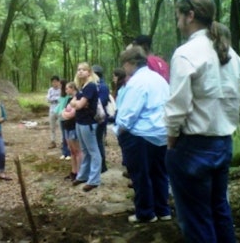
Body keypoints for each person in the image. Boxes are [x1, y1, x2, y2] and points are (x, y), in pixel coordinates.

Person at [165, 0, 240, 243]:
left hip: (193, 146)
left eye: (178, 16)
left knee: (197, 220)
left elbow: (178, 107)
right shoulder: (233, 58)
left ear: (190, 16)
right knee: (220, 211)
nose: (177, 22)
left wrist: (171, 140)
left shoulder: (186, 54)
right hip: (223, 143)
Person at [114, 47, 171, 223]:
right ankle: (163, 209)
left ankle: (146, 212)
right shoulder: (159, 79)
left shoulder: (137, 82)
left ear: (131, 63)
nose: (124, 69)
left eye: (125, 64)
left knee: (140, 175)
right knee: (159, 173)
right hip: (161, 132)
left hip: (140, 135)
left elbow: (129, 113)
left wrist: (119, 130)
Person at [70, 62, 102, 192]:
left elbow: (78, 105)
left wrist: (77, 103)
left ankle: (94, 180)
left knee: (93, 151)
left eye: (83, 70)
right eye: (78, 70)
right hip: (79, 121)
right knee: (84, 150)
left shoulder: (91, 86)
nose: (80, 72)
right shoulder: (82, 86)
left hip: (88, 123)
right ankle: (83, 175)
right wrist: (76, 102)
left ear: (89, 72)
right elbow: (73, 102)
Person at [61, 81, 83, 180]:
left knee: (77, 151)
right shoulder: (69, 99)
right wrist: (65, 114)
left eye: (67, 88)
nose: (65, 90)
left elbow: (71, 114)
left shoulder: (78, 98)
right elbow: (63, 111)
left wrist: (66, 114)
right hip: (67, 126)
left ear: (73, 88)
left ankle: (79, 172)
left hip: (74, 126)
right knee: (72, 151)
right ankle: (73, 172)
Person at [92, 65, 110, 173]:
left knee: (98, 141)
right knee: (96, 141)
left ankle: (102, 165)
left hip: (100, 118)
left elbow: (102, 102)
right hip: (96, 117)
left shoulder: (102, 86)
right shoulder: (97, 85)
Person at [55, 79, 71, 160]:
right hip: (61, 117)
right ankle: (64, 152)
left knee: (67, 136)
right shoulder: (61, 95)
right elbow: (59, 105)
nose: (59, 86)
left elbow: (66, 107)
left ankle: (69, 153)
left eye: (60, 85)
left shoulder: (69, 96)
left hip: (66, 117)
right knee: (63, 136)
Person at [46, 75, 61, 149]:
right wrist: (55, 99)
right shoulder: (50, 90)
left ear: (58, 82)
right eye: (53, 82)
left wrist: (53, 98)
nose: (54, 83)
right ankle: (53, 141)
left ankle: (62, 142)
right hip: (52, 110)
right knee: (52, 127)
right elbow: (48, 99)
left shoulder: (61, 90)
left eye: (56, 81)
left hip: (60, 110)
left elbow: (61, 99)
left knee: (61, 127)